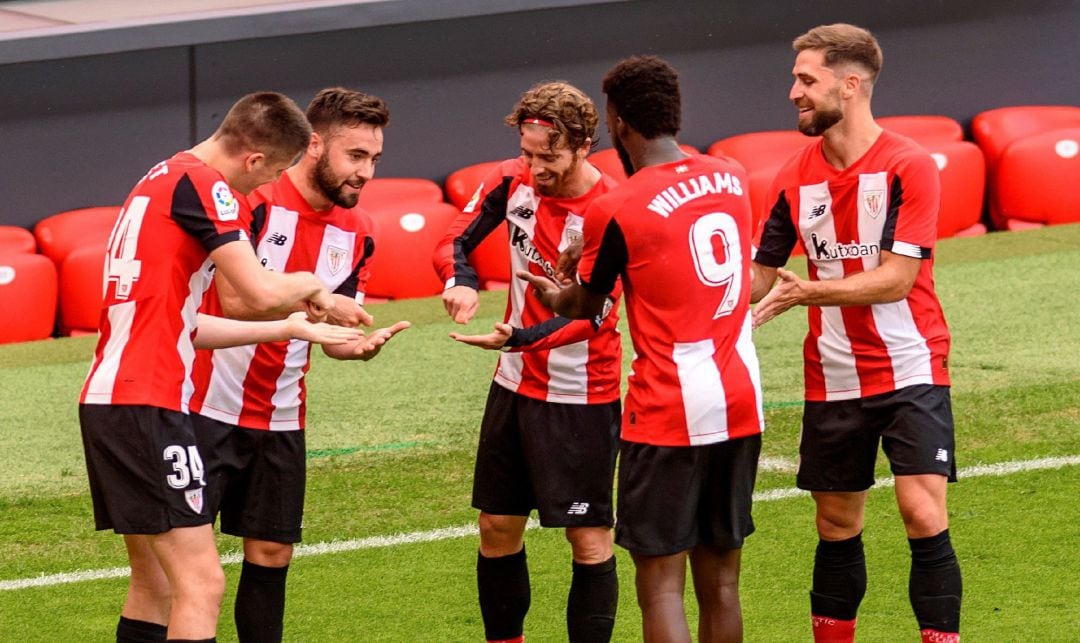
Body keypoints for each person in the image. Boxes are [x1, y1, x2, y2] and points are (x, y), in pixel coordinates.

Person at [78, 92, 344, 642]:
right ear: (252, 160)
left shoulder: (159, 177)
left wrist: (289, 328)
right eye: (271, 173)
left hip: (111, 398)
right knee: (203, 585)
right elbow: (259, 288)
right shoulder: (206, 185)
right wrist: (314, 287)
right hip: (148, 401)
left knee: (155, 584)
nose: (266, 188)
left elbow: (185, 324)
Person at [521, 55, 765, 643]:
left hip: (668, 410)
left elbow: (589, 304)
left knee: (660, 585)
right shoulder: (732, 176)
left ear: (619, 122)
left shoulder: (616, 206)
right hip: (741, 398)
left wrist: (556, 293)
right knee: (723, 583)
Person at [750, 24, 962, 643]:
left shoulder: (908, 164)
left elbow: (896, 279)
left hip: (911, 364)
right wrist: (702, 296)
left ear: (851, 83)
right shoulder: (790, 175)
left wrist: (808, 291)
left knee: (922, 513)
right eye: (795, 79)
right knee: (835, 523)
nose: (793, 92)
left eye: (806, 80)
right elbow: (764, 272)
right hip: (833, 375)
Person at [187, 87, 410, 643]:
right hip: (203, 404)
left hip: (282, 417)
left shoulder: (358, 233)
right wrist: (314, 296)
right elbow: (236, 301)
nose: (367, 173)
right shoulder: (256, 199)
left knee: (272, 552)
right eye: (355, 156)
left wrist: (352, 345)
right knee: (187, 565)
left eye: (374, 159)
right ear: (314, 146)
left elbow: (327, 332)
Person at [432, 81, 623, 643]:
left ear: (585, 144)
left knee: (587, 540)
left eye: (550, 156)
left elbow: (597, 317)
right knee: (496, 527)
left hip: (582, 396)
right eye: (528, 152)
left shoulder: (607, 210)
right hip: (514, 386)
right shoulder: (509, 178)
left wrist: (520, 336)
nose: (535, 167)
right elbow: (454, 239)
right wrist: (461, 282)